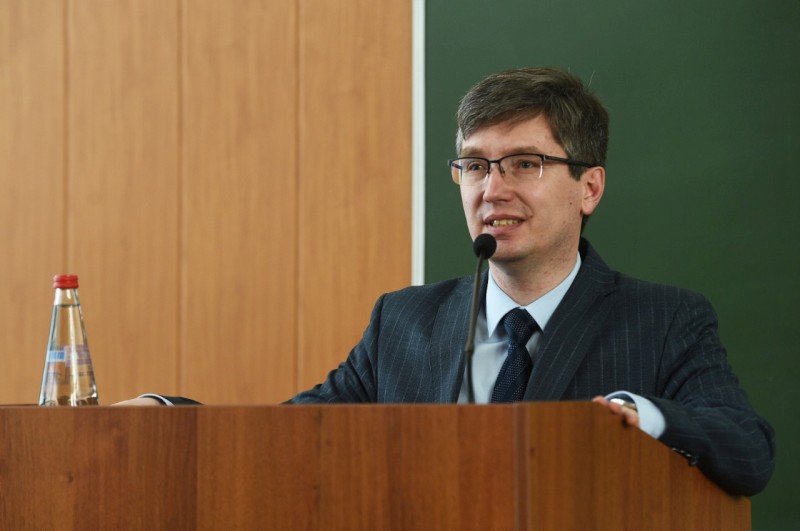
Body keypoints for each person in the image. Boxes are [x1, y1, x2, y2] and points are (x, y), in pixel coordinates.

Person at [122, 67, 775, 497]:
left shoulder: (664, 320)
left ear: (589, 187)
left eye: (524, 163)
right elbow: (289, 440)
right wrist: (170, 416)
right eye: (475, 165)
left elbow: (749, 451)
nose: (493, 189)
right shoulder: (404, 322)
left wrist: (640, 416)